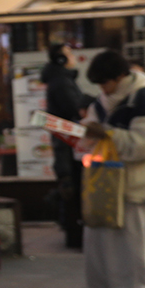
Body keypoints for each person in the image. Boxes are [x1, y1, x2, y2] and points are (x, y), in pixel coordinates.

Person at [77, 50, 145, 288]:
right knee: (96, 238)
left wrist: (108, 133)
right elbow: (89, 132)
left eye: (105, 82)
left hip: (132, 183)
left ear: (120, 76)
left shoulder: (141, 99)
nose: (102, 89)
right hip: (102, 180)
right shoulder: (101, 101)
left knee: (128, 241)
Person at [41, 43, 89, 248]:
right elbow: (74, 108)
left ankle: (72, 231)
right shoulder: (61, 81)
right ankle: (74, 235)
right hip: (69, 143)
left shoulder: (60, 79)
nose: (73, 57)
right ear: (61, 59)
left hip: (67, 143)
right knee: (72, 187)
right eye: (69, 53)